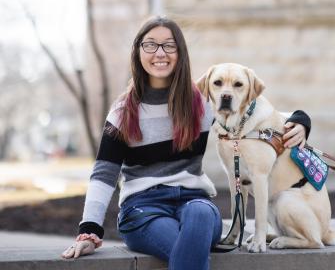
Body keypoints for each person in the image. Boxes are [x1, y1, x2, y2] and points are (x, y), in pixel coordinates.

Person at [61, 16, 311, 270]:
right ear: (138, 52)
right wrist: (89, 229)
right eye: (150, 45)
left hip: (195, 203)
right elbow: (104, 173)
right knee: (185, 244)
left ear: (180, 53)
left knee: (200, 215)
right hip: (143, 210)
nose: (160, 53)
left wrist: (301, 121)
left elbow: (263, 115)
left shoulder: (201, 101)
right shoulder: (123, 111)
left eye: (169, 45)